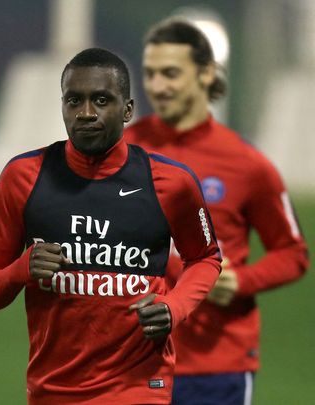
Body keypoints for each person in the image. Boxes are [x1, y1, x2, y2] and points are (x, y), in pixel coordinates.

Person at [0, 47, 222, 404]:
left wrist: (174, 307)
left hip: (139, 387)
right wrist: (20, 270)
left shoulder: (171, 182)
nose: (86, 113)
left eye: (101, 100)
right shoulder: (23, 177)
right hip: (53, 390)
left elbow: (206, 258)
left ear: (128, 110)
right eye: (74, 100)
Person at [124, 18, 309, 405]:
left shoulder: (247, 163)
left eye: (170, 73)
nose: (157, 86)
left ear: (206, 73)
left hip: (216, 365)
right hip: (131, 359)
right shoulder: (123, 151)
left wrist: (242, 281)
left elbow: (293, 254)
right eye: (150, 74)